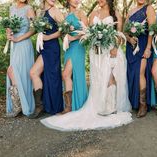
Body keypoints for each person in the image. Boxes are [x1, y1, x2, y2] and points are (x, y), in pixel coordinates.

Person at [40, 0, 132, 131]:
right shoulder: (93, 13)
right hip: (95, 51)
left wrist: (115, 48)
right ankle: (98, 105)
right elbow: (88, 32)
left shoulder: (115, 13)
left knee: (110, 77)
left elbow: (118, 33)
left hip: (110, 49)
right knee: (99, 78)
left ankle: (111, 107)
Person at [29, 0, 64, 117]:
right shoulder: (40, 12)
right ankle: (43, 105)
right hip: (42, 47)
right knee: (43, 75)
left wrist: (49, 36)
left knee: (36, 73)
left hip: (52, 47)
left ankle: (47, 106)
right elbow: (36, 29)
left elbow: (64, 29)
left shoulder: (55, 10)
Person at [125, 0, 156, 118]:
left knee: (140, 73)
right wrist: (129, 39)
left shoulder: (149, 9)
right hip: (131, 46)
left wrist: (148, 48)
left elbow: (152, 30)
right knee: (132, 73)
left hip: (143, 45)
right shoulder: (131, 11)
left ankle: (143, 105)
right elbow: (125, 30)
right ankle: (134, 102)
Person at [6, 0, 35, 117]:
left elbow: (34, 29)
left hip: (23, 43)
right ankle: (19, 105)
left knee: (12, 71)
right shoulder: (11, 8)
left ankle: (19, 106)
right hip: (14, 44)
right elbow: (8, 26)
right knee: (15, 72)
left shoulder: (29, 8)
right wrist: (9, 33)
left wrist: (19, 39)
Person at [60, 0, 88, 114]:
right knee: (67, 75)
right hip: (68, 48)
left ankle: (71, 106)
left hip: (78, 46)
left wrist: (73, 38)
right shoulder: (65, 15)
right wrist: (65, 38)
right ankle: (70, 105)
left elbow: (86, 31)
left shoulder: (81, 13)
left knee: (66, 74)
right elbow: (62, 33)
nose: (77, 1)